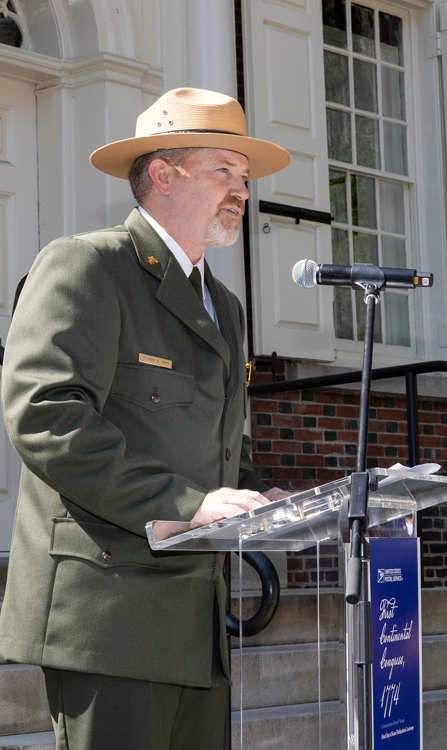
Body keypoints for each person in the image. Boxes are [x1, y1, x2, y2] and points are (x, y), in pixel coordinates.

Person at [0, 88, 292, 749]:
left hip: (196, 623)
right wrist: (189, 504)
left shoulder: (223, 304)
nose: (241, 191)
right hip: (109, 618)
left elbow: (221, 444)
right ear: (163, 173)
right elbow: (46, 416)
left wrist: (251, 503)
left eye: (244, 178)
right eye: (224, 170)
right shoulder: (89, 266)